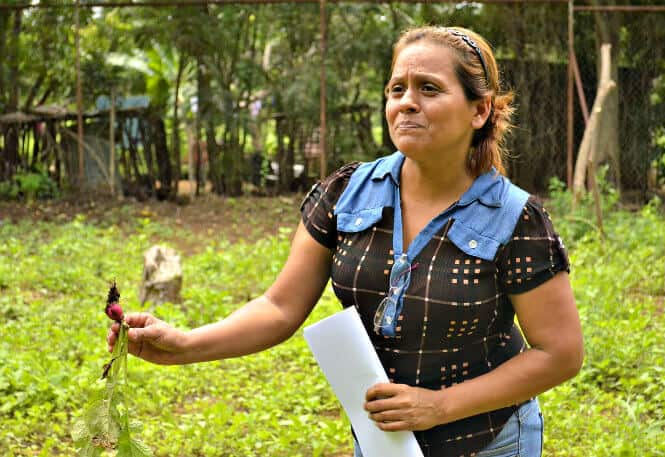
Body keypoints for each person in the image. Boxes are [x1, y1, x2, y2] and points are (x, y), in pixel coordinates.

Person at [108, 25, 583, 457]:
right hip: (384, 442)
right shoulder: (347, 193)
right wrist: (186, 344)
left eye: (429, 89)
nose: (406, 102)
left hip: (490, 443)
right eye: (397, 89)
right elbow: (278, 307)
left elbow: (559, 353)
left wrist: (438, 406)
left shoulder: (515, 217)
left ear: (479, 110)